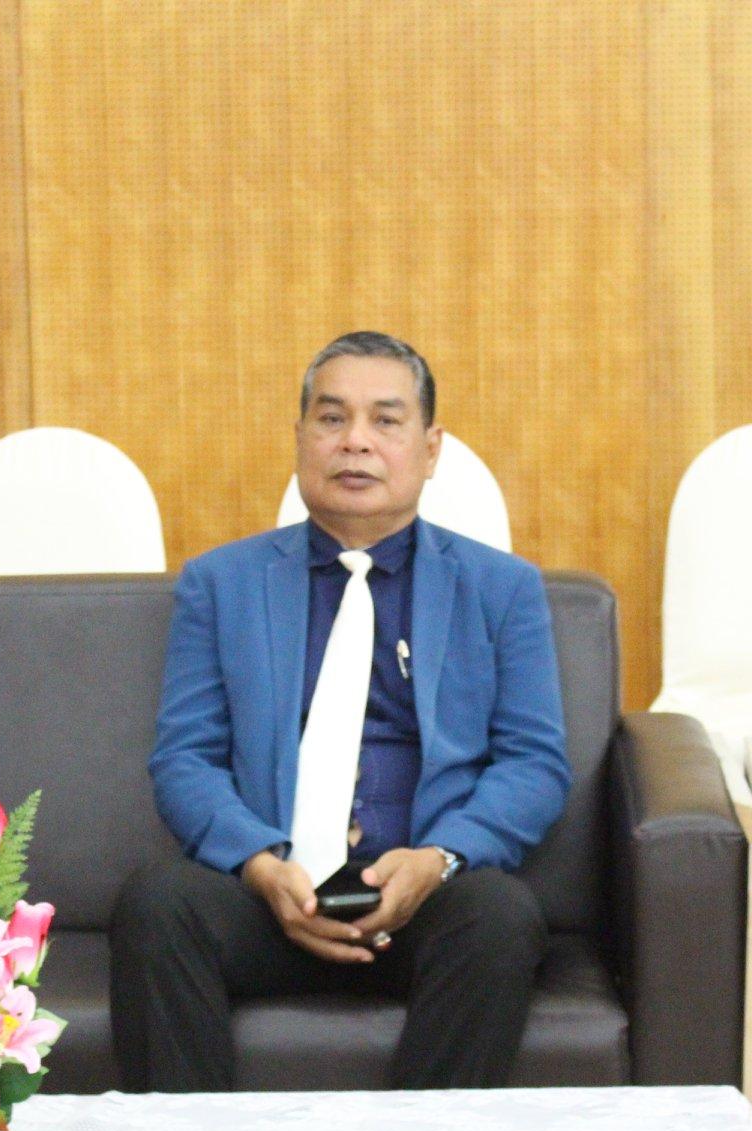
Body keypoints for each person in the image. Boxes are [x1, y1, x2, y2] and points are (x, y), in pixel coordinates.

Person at [111, 331, 572, 1090]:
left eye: (385, 421)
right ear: (300, 438)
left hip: (425, 901)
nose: (355, 441)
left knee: (500, 915)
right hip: (268, 899)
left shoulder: (502, 589)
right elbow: (186, 758)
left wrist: (438, 860)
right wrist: (261, 867)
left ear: (430, 448)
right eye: (332, 419)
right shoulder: (222, 584)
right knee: (160, 904)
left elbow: (534, 763)